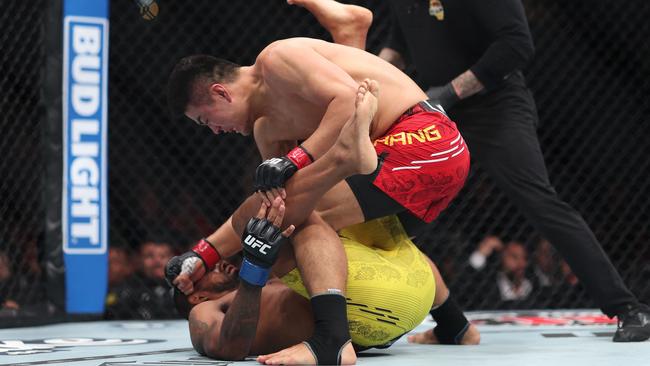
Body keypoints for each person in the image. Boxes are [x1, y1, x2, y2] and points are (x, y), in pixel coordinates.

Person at [165, 41, 470, 363]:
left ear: (221, 93)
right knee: (283, 213)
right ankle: (454, 324)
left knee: (289, 219)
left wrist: (297, 158)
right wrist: (203, 253)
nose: (213, 131)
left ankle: (332, 340)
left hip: (422, 141)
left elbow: (351, 99)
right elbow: (279, 201)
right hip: (408, 162)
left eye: (204, 120)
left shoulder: (275, 60)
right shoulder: (269, 127)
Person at [375, 0, 649, 342]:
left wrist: (450, 93)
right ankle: (439, 323)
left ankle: (627, 308)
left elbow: (516, 43)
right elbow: (397, 46)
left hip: (495, 107)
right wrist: (370, 82)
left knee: (539, 202)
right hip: (436, 110)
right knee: (395, 207)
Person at [177, 196, 478, 362]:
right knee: (269, 211)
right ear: (196, 297)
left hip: (409, 287)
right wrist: (253, 266)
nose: (222, 265)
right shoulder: (202, 312)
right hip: (374, 315)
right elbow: (230, 348)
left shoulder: (275, 279)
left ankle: (456, 327)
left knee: (309, 208)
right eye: (210, 271)